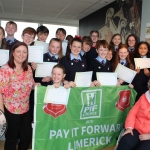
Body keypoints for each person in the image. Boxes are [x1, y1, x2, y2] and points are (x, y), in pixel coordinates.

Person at [0, 42, 37, 150]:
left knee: (26, 138)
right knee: (11, 140)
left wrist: (36, 86)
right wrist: (1, 113)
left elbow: (30, 86)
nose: (21, 54)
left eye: (24, 52)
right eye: (18, 51)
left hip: (25, 109)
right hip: (10, 110)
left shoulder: (28, 69)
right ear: (13, 53)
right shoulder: (5, 70)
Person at [117, 80, 150, 150]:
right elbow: (133, 113)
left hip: (148, 135)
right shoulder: (143, 97)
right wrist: (129, 127)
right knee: (126, 141)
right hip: (136, 129)